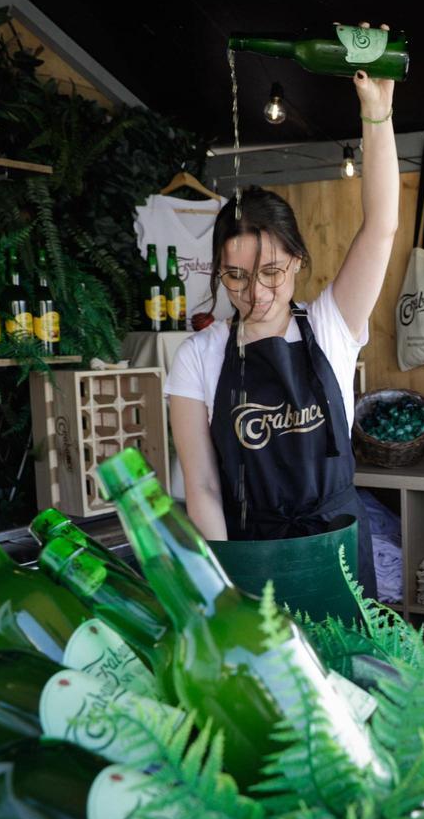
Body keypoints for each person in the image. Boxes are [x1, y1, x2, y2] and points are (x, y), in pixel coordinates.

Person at [165, 52, 398, 600]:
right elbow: (202, 486)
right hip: (249, 558)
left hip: (339, 554)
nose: (256, 294)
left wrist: (377, 115)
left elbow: (381, 226)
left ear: (296, 261)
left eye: (271, 272)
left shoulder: (332, 323)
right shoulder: (198, 356)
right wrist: (228, 593)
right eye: (236, 277)